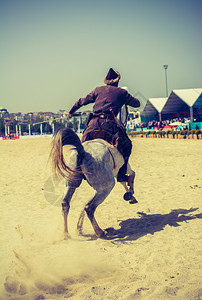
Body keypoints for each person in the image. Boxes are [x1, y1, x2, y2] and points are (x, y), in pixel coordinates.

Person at [67, 68, 140, 189]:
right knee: (127, 145)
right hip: (109, 125)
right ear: (117, 81)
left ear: (106, 82)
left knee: (82, 146)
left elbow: (81, 101)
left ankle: (78, 171)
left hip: (93, 124)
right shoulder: (121, 92)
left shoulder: (97, 90)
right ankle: (121, 174)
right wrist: (125, 98)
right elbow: (137, 103)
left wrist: (71, 112)